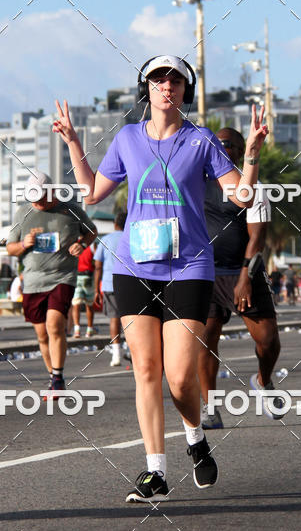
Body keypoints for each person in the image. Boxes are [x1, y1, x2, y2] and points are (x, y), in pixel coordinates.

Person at [53, 54, 268, 502]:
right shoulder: (127, 138)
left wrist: (251, 155)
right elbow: (92, 193)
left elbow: (242, 198)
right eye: (157, 80)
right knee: (145, 370)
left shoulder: (201, 140)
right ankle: (155, 472)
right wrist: (74, 143)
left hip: (189, 266)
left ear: (184, 91)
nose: (166, 86)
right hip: (135, 266)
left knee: (179, 378)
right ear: (146, 89)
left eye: (174, 80)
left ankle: (195, 437)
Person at [198, 127, 281, 430]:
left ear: (237, 149)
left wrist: (245, 277)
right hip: (204, 273)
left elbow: (257, 238)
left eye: (228, 145)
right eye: (217, 145)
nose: (221, 149)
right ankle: (209, 407)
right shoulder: (196, 182)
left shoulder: (252, 188)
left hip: (243, 273)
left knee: (268, 340)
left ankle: (263, 381)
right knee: (205, 341)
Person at [6, 171, 97, 394]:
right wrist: (25, 244)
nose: (37, 201)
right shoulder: (22, 214)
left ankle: (58, 377)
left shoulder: (71, 210)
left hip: (62, 277)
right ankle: (52, 376)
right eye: (33, 196)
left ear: (52, 191)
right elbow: (10, 247)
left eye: (41, 196)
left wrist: (82, 244)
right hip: (33, 280)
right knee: (42, 335)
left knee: (55, 324)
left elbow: (91, 231)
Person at [93, 211, 127, 366]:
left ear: (115, 224)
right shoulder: (131, 237)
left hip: (109, 283)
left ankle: (116, 355)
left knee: (114, 319)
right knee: (130, 319)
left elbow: (98, 266)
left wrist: (96, 289)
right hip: (130, 282)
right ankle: (131, 350)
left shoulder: (105, 240)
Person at [71, 242, 96, 339]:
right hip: (88, 276)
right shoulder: (92, 246)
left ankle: (77, 330)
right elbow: (96, 261)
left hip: (77, 276)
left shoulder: (73, 245)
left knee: (76, 304)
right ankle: (89, 330)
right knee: (89, 304)